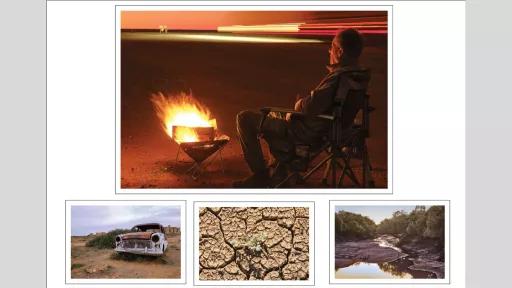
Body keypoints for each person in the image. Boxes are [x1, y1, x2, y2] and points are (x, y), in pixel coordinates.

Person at [233, 28, 369, 188]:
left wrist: (299, 104)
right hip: (333, 130)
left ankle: (260, 176)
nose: (329, 51)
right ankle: (282, 174)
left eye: (332, 47)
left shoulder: (338, 77)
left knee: (244, 118)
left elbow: (311, 106)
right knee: (276, 114)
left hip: (307, 132)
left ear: (339, 51)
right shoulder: (359, 75)